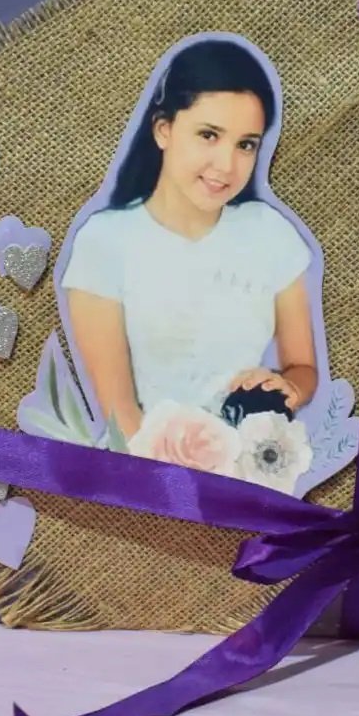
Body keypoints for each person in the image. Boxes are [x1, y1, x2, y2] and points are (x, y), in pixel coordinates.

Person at [60, 39, 318, 446]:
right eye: (209, 135)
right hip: (149, 464)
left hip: (255, 458)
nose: (226, 166)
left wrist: (288, 389)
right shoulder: (106, 242)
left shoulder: (270, 233)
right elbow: (120, 412)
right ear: (163, 130)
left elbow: (303, 368)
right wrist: (182, 478)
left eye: (245, 144)